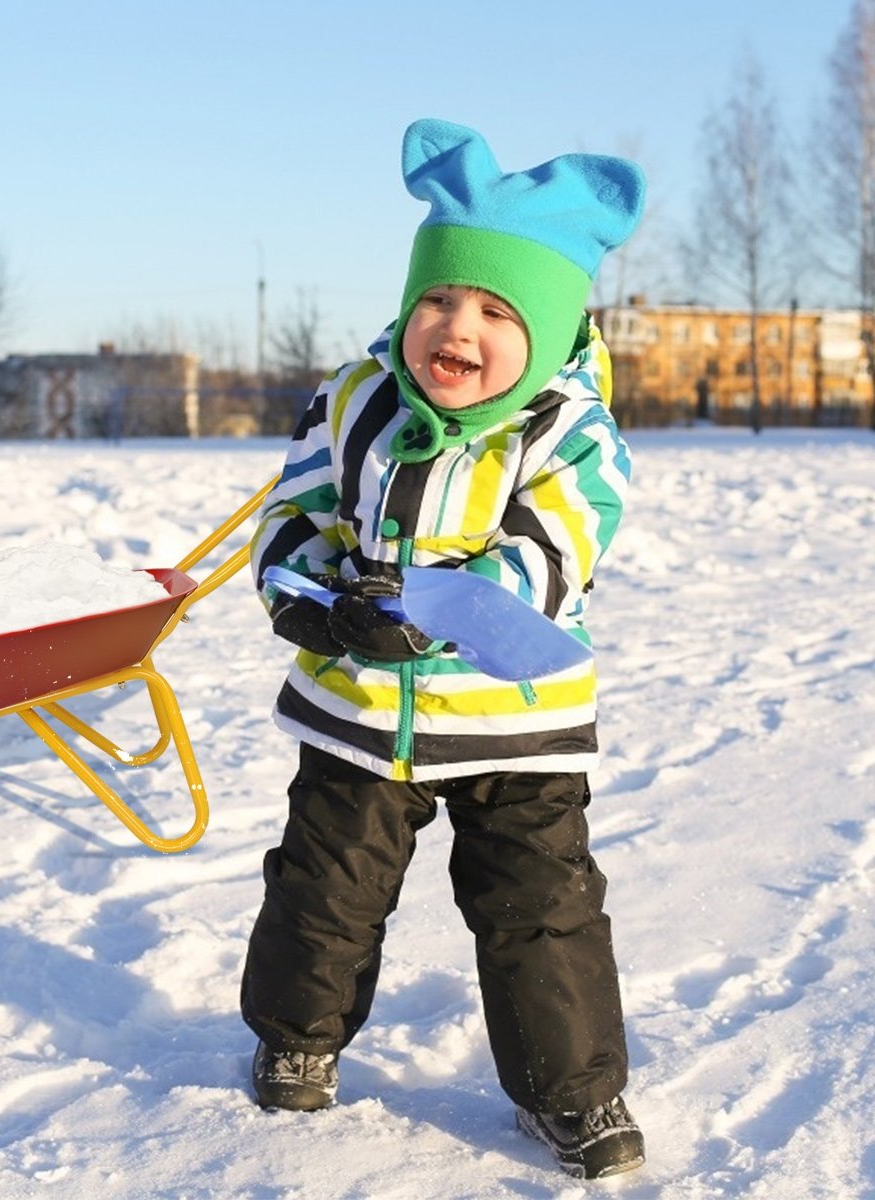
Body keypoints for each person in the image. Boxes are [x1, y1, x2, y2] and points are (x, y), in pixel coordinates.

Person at [241, 118, 647, 1181]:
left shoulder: (570, 435)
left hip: (515, 722)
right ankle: (297, 1036)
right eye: (439, 300)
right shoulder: (355, 400)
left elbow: (550, 554)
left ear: (548, 330)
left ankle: (573, 1092)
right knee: (323, 886)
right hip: (361, 707)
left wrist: (434, 611)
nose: (457, 328)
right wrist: (304, 597)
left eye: (496, 311)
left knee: (540, 911)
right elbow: (296, 511)